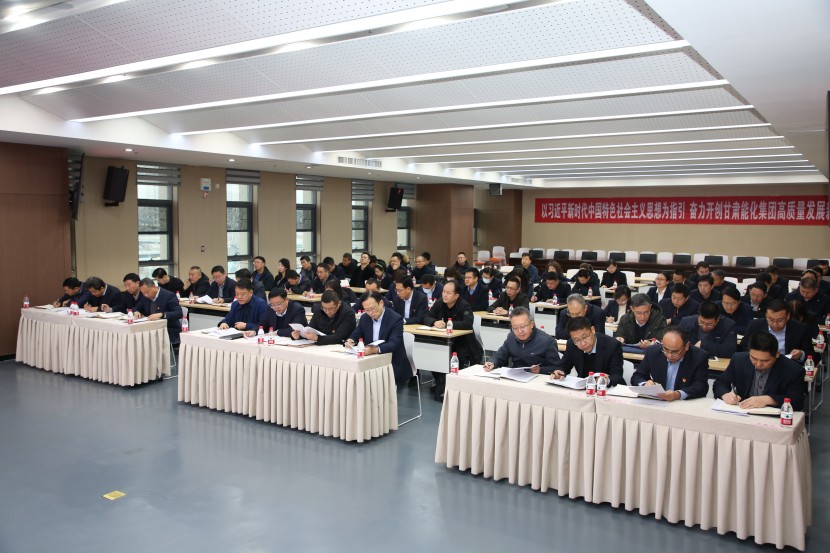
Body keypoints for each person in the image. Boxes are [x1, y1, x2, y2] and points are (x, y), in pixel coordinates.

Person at [714, 330, 805, 411]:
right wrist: (725, 394)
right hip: (743, 412)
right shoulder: (739, 360)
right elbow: (720, 383)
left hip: (774, 417)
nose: (758, 364)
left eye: (765, 361)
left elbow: (797, 401)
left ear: (777, 354)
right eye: (754, 358)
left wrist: (769, 399)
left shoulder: (793, 370)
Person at [423, 281, 482, 401]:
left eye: (448, 293)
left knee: (456, 357)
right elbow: (427, 317)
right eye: (444, 292)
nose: (444, 295)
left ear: (456, 295)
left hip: (462, 342)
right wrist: (434, 322)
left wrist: (447, 324)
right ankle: (441, 383)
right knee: (432, 355)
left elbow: (468, 323)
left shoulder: (464, 305)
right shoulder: (440, 303)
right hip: (443, 340)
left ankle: (452, 387)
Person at [345, 292, 408, 387]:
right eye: (367, 310)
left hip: (391, 362)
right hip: (369, 360)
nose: (370, 313)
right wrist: (351, 340)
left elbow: (394, 343)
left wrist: (374, 350)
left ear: (381, 303)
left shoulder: (395, 319)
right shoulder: (365, 317)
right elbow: (357, 333)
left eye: (372, 308)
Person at [630, 326, 709, 400]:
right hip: (657, 401)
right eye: (665, 349)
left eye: (675, 352)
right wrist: (645, 384)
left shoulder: (699, 356)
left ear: (686, 346)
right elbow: (637, 376)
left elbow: (701, 386)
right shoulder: (652, 352)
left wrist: (678, 394)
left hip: (683, 403)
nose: (669, 355)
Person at [483, 307, 560, 375]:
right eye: (515, 328)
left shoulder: (547, 341)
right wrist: (492, 362)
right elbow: (500, 356)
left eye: (522, 326)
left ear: (532, 324)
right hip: (515, 377)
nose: (519, 331)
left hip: (537, 379)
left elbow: (556, 367)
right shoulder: (511, 337)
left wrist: (540, 370)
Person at [552, 316, 625, 386]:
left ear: (592, 330)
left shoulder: (612, 345)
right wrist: (559, 371)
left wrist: (607, 380)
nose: (583, 343)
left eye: (585, 337)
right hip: (583, 388)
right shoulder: (572, 344)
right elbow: (564, 365)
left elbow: (617, 376)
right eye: (577, 340)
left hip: (607, 389)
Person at [741, 299, 813, 361]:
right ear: (766, 316)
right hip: (760, 364)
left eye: (780, 320)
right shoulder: (755, 325)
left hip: (788, 366)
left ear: (788, 316)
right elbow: (743, 347)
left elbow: (812, 355)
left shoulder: (800, 328)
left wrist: (801, 354)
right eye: (771, 320)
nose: (775, 324)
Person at [134, 277, 183, 346]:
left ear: (153, 286)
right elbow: (135, 308)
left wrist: (161, 315)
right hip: (150, 330)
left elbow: (179, 313)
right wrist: (136, 311)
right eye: (143, 293)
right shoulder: (145, 297)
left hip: (168, 330)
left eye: (147, 292)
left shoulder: (169, 295)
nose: (146, 295)